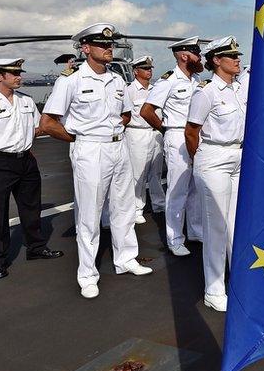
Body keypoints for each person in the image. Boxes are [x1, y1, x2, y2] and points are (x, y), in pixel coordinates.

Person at [41, 23, 152, 299]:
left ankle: (126, 259)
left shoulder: (116, 80)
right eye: (102, 45)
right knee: (89, 214)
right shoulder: (71, 80)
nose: (108, 48)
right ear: (86, 48)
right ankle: (87, 274)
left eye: (110, 44)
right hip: (90, 150)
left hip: (119, 147)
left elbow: (125, 115)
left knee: (124, 207)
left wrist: (111, 132)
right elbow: (48, 122)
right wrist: (79, 140)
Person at [0, 58, 62, 280]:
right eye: (14, 73)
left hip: (26, 160)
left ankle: (36, 248)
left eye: (19, 72)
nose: (20, 76)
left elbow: (39, 128)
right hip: (0, 163)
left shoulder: (26, 101)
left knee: (32, 207)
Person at [185, 36, 245, 312]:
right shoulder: (206, 91)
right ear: (216, 61)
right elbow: (191, 131)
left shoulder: (238, 89)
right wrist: (201, 160)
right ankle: (214, 288)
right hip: (214, 157)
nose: (237, 59)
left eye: (238, 55)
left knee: (235, 222)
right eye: (231, 56)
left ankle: (239, 278)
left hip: (238, 156)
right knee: (216, 226)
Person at [141, 36, 203, 256]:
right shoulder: (168, 81)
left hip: (196, 136)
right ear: (185, 56)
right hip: (177, 136)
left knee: (197, 187)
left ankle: (196, 231)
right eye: (197, 53)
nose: (200, 57)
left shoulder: (197, 81)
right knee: (178, 189)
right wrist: (165, 130)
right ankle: (175, 238)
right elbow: (147, 111)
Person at [124, 56, 166, 224]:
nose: (149, 71)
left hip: (155, 132)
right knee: (138, 173)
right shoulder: (129, 91)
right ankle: (136, 208)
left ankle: (159, 203)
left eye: (150, 68)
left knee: (156, 172)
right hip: (137, 133)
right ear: (136, 71)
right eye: (145, 68)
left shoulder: (155, 89)